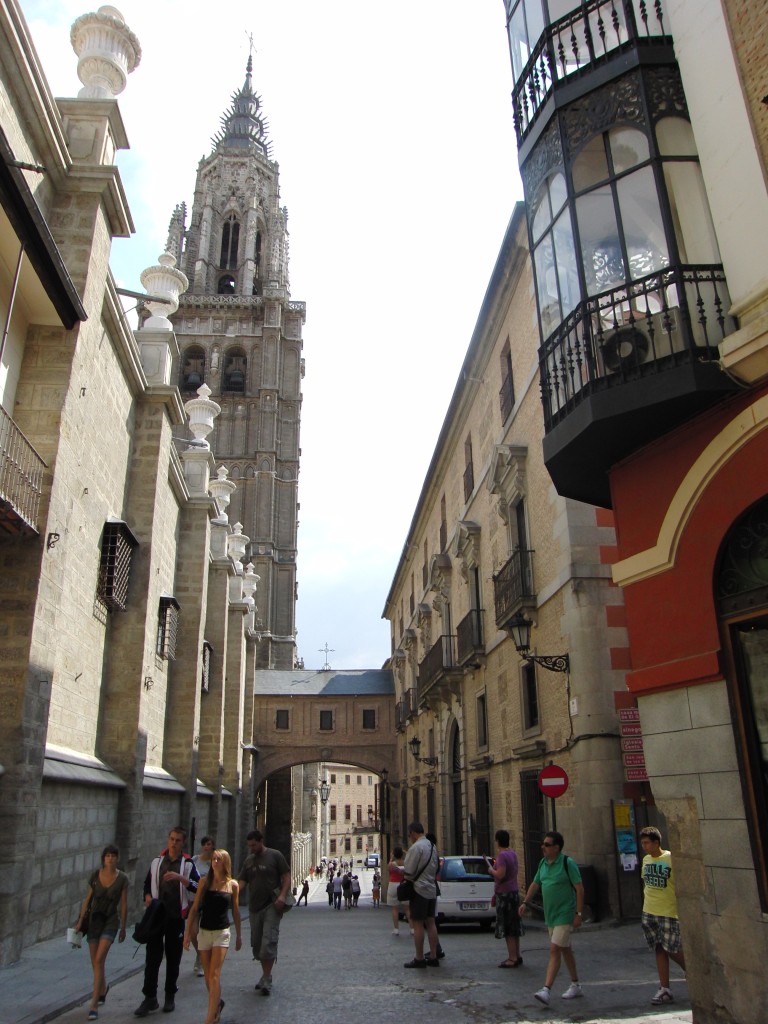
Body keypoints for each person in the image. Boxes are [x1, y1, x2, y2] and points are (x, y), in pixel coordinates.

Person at [135, 826, 200, 1017]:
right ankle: (149, 997)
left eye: (177, 840)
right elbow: (147, 884)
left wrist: (181, 879)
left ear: (182, 843)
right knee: (152, 958)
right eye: (171, 839)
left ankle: (170, 995)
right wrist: (147, 896)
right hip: (157, 916)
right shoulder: (157, 862)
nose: (173, 843)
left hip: (175, 917)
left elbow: (198, 886)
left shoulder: (187, 865)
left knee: (173, 958)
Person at [519, 830, 584, 1005]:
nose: (543, 847)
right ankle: (576, 984)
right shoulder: (543, 863)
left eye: (547, 845)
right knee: (565, 949)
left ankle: (546, 989)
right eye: (543, 844)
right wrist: (525, 902)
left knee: (555, 949)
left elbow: (579, 888)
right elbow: (535, 883)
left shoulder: (567, 863)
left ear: (556, 847)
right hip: (551, 915)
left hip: (565, 913)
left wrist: (578, 914)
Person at [183, 849, 241, 1024]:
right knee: (208, 978)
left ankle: (209, 1018)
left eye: (218, 859)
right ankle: (216, 1005)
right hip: (204, 932)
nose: (214, 862)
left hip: (221, 933)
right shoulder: (203, 883)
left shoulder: (232, 885)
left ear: (225, 863)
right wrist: (187, 934)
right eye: (214, 859)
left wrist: (239, 935)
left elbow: (236, 912)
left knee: (215, 975)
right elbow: (194, 909)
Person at [75, 844, 129, 1021]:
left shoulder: (122, 879)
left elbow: (123, 904)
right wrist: (80, 921)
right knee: (95, 962)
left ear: (117, 858)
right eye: (107, 856)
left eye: (113, 855)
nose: (110, 858)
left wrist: (123, 927)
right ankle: (103, 989)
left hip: (111, 922)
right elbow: (87, 899)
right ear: (103, 858)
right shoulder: (95, 876)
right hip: (94, 922)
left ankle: (93, 1004)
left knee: (99, 960)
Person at [237, 829, 291, 997]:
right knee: (257, 944)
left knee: (268, 941)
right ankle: (264, 974)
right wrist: (232, 893)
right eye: (249, 845)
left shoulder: (275, 856)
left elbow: (286, 876)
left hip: (271, 906)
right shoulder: (248, 861)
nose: (251, 848)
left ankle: (267, 977)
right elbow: (242, 881)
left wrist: (282, 895)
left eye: (253, 845)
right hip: (254, 907)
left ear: (261, 841)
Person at [640, 826, 686, 1005]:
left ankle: (691, 970)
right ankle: (664, 988)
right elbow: (645, 883)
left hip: (668, 911)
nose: (644, 846)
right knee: (659, 947)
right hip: (649, 910)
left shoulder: (670, 858)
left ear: (656, 842)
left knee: (672, 948)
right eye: (642, 843)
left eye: (646, 843)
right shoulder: (646, 860)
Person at [402, 822, 439, 968]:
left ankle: (419, 958)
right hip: (431, 889)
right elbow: (436, 867)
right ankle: (434, 956)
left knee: (417, 924)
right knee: (431, 923)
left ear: (413, 832)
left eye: (410, 835)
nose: (410, 838)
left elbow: (409, 872)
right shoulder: (432, 846)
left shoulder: (416, 848)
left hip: (419, 890)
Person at [487, 829, 522, 968]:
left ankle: (512, 958)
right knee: (514, 926)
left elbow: (500, 875)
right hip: (514, 892)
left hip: (505, 894)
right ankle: (517, 955)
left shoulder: (502, 856)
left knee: (508, 927)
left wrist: (491, 871)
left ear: (498, 841)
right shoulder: (513, 853)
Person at [191, 836, 215, 976]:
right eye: (204, 844)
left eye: (209, 844)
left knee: (205, 933)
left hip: (209, 902)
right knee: (194, 932)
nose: (206, 847)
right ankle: (199, 955)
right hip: (195, 901)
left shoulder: (214, 862)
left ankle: (202, 961)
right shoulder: (194, 860)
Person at [386, 846, 411, 936]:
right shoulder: (406, 863)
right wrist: (405, 852)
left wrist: (391, 858)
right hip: (403, 884)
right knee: (407, 908)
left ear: (394, 854)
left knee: (395, 908)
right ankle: (412, 929)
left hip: (393, 885)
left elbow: (388, 869)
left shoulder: (392, 864)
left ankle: (396, 929)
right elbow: (410, 857)